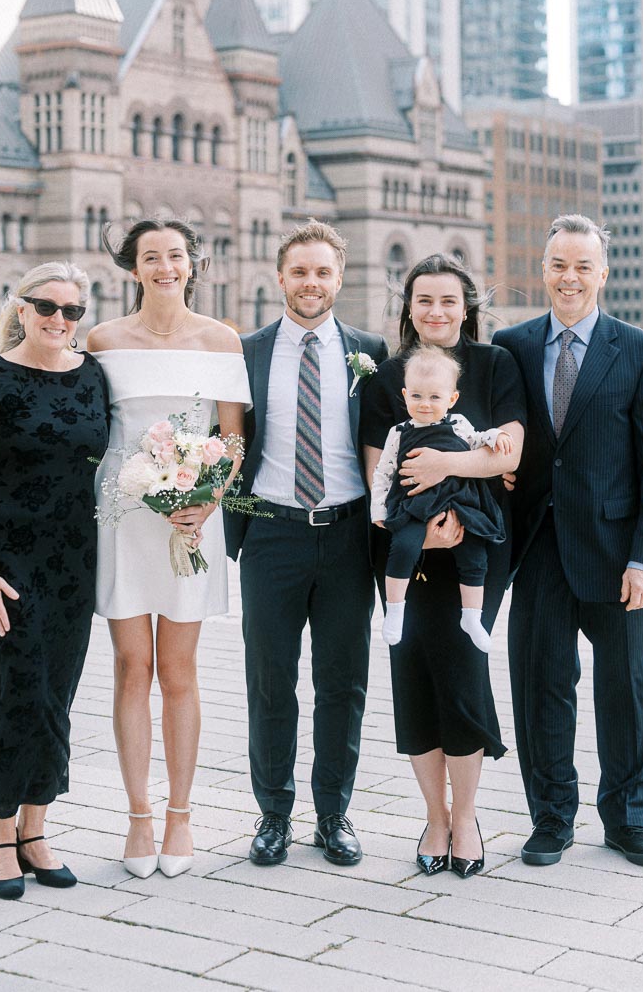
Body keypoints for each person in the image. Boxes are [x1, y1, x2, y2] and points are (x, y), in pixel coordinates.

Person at [492, 213, 643, 868]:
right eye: (558, 264)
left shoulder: (641, 351)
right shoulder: (509, 346)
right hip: (539, 547)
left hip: (620, 552)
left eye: (582, 265)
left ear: (603, 273)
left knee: (629, 689)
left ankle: (629, 819)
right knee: (541, 685)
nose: (569, 277)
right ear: (542, 270)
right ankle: (551, 818)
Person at [224, 219, 387, 867]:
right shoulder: (248, 351)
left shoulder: (370, 352)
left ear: (339, 278)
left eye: (322, 271)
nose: (311, 283)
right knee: (269, 680)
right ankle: (273, 815)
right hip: (272, 535)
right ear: (280, 277)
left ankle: (334, 814)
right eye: (299, 271)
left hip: (348, 537)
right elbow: (230, 443)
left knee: (343, 682)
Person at [89, 218, 249, 879]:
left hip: (191, 516)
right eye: (150, 257)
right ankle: (137, 817)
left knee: (178, 672)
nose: (164, 266)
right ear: (133, 268)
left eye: (175, 255)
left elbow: (232, 441)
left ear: (192, 264)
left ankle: (180, 816)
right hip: (123, 516)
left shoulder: (221, 340)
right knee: (132, 668)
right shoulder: (102, 341)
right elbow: (94, 431)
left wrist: (209, 499)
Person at [0, 262, 110, 900]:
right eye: (47, 307)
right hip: (7, 566)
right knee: (15, 688)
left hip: (74, 562)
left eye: (73, 311)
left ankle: (38, 831)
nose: (60, 321)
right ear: (21, 307)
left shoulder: (92, 376)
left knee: (55, 694)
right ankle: (1, 836)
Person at [361, 254, 525, 877]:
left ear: (467, 307)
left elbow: (507, 452)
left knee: (463, 675)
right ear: (409, 309)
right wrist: (421, 525)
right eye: (423, 301)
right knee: (413, 681)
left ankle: (466, 817)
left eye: (449, 301)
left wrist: (445, 467)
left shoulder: (496, 365)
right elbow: (386, 466)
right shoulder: (387, 376)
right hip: (406, 548)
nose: (436, 312)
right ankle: (434, 816)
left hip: (476, 546)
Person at [370, 344, 512, 650]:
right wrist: (378, 510)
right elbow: (383, 472)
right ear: (405, 395)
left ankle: (472, 615)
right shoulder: (399, 432)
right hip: (415, 502)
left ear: (452, 399)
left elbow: (478, 440)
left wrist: (496, 435)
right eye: (417, 396)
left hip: (458, 500)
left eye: (435, 397)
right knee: (404, 546)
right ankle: (395, 610)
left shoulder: (458, 424)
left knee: (474, 550)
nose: (425, 404)